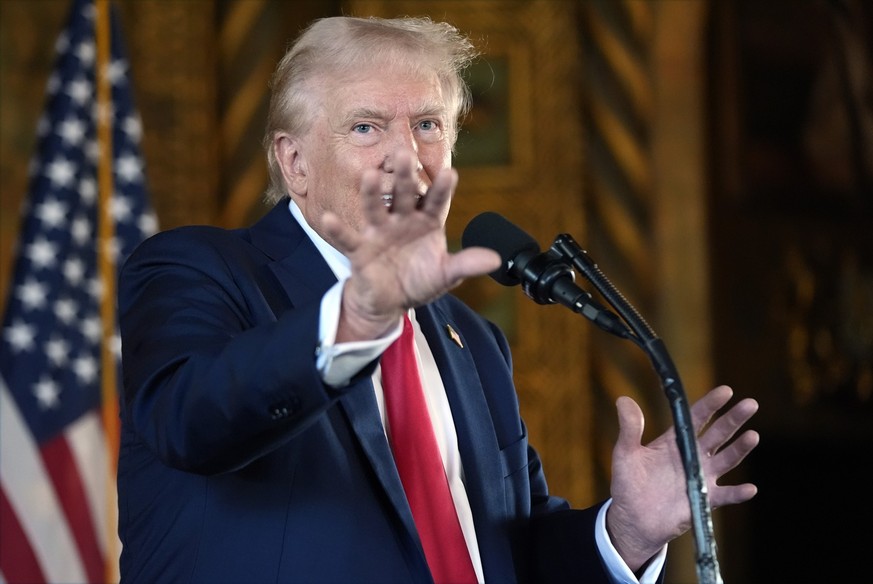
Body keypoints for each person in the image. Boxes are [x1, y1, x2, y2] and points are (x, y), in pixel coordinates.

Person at [116, 15, 759, 584]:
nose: (406, 159)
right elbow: (191, 421)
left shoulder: (473, 341)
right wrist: (361, 316)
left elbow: (509, 554)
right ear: (295, 162)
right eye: (366, 127)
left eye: (427, 124)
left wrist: (629, 533)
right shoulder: (198, 269)